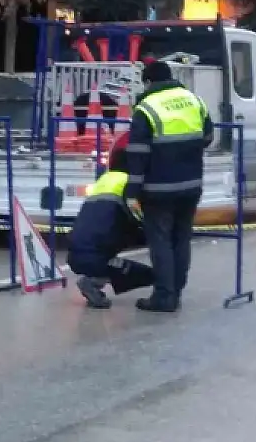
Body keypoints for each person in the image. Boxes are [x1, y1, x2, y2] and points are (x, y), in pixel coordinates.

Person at [125, 60, 213, 313]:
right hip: (191, 185)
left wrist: (132, 192)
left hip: (159, 188)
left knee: (160, 240)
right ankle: (177, 289)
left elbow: (138, 154)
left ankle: (165, 296)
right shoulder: (194, 100)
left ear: (149, 82)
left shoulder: (146, 108)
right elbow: (207, 137)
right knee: (181, 238)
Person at [68, 133, 155, 309]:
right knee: (153, 275)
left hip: (75, 254)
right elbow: (143, 221)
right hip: (94, 256)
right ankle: (92, 281)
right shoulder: (129, 184)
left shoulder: (104, 181)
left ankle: (95, 280)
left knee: (112, 241)